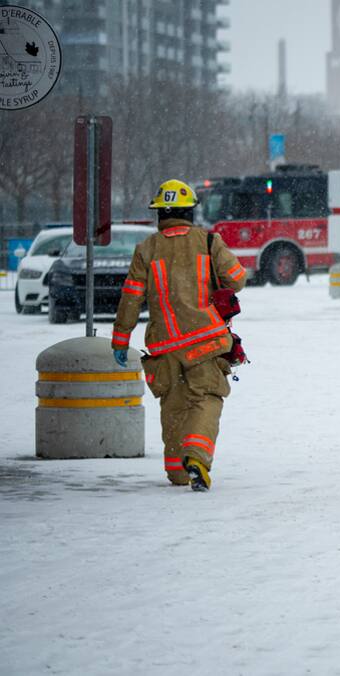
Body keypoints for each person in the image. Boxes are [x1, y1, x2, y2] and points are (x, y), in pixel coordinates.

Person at [111, 179, 247, 492]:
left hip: (164, 347)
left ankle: (177, 471)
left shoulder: (146, 249)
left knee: (173, 406)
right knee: (207, 398)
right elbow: (237, 280)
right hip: (206, 342)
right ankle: (197, 457)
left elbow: (130, 298)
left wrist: (120, 340)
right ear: (191, 212)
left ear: (160, 214)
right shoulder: (208, 241)